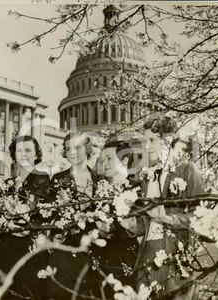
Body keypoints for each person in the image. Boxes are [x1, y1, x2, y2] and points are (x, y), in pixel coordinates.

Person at [134, 116, 205, 299]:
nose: (148, 146)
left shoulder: (188, 170)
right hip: (146, 253)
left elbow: (199, 216)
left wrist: (169, 219)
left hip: (175, 257)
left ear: (168, 139)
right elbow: (145, 222)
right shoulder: (146, 177)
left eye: (152, 140)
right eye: (146, 141)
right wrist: (131, 226)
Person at [46, 131, 103, 300]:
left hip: (92, 256)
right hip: (64, 255)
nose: (72, 152)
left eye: (77, 147)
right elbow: (49, 215)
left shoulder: (100, 181)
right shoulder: (57, 179)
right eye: (68, 148)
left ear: (87, 149)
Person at [0, 135, 50, 299]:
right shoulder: (6, 184)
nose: (23, 154)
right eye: (19, 150)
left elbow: (36, 210)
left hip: (29, 247)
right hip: (6, 248)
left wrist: (19, 225)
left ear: (37, 155)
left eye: (28, 150)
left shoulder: (43, 179)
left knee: (28, 291)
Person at [89, 139, 140, 298]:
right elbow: (89, 223)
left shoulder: (136, 188)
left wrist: (107, 227)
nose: (105, 163)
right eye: (103, 159)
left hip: (124, 262)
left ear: (124, 159)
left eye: (109, 158)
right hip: (99, 263)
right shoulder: (100, 190)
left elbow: (137, 226)